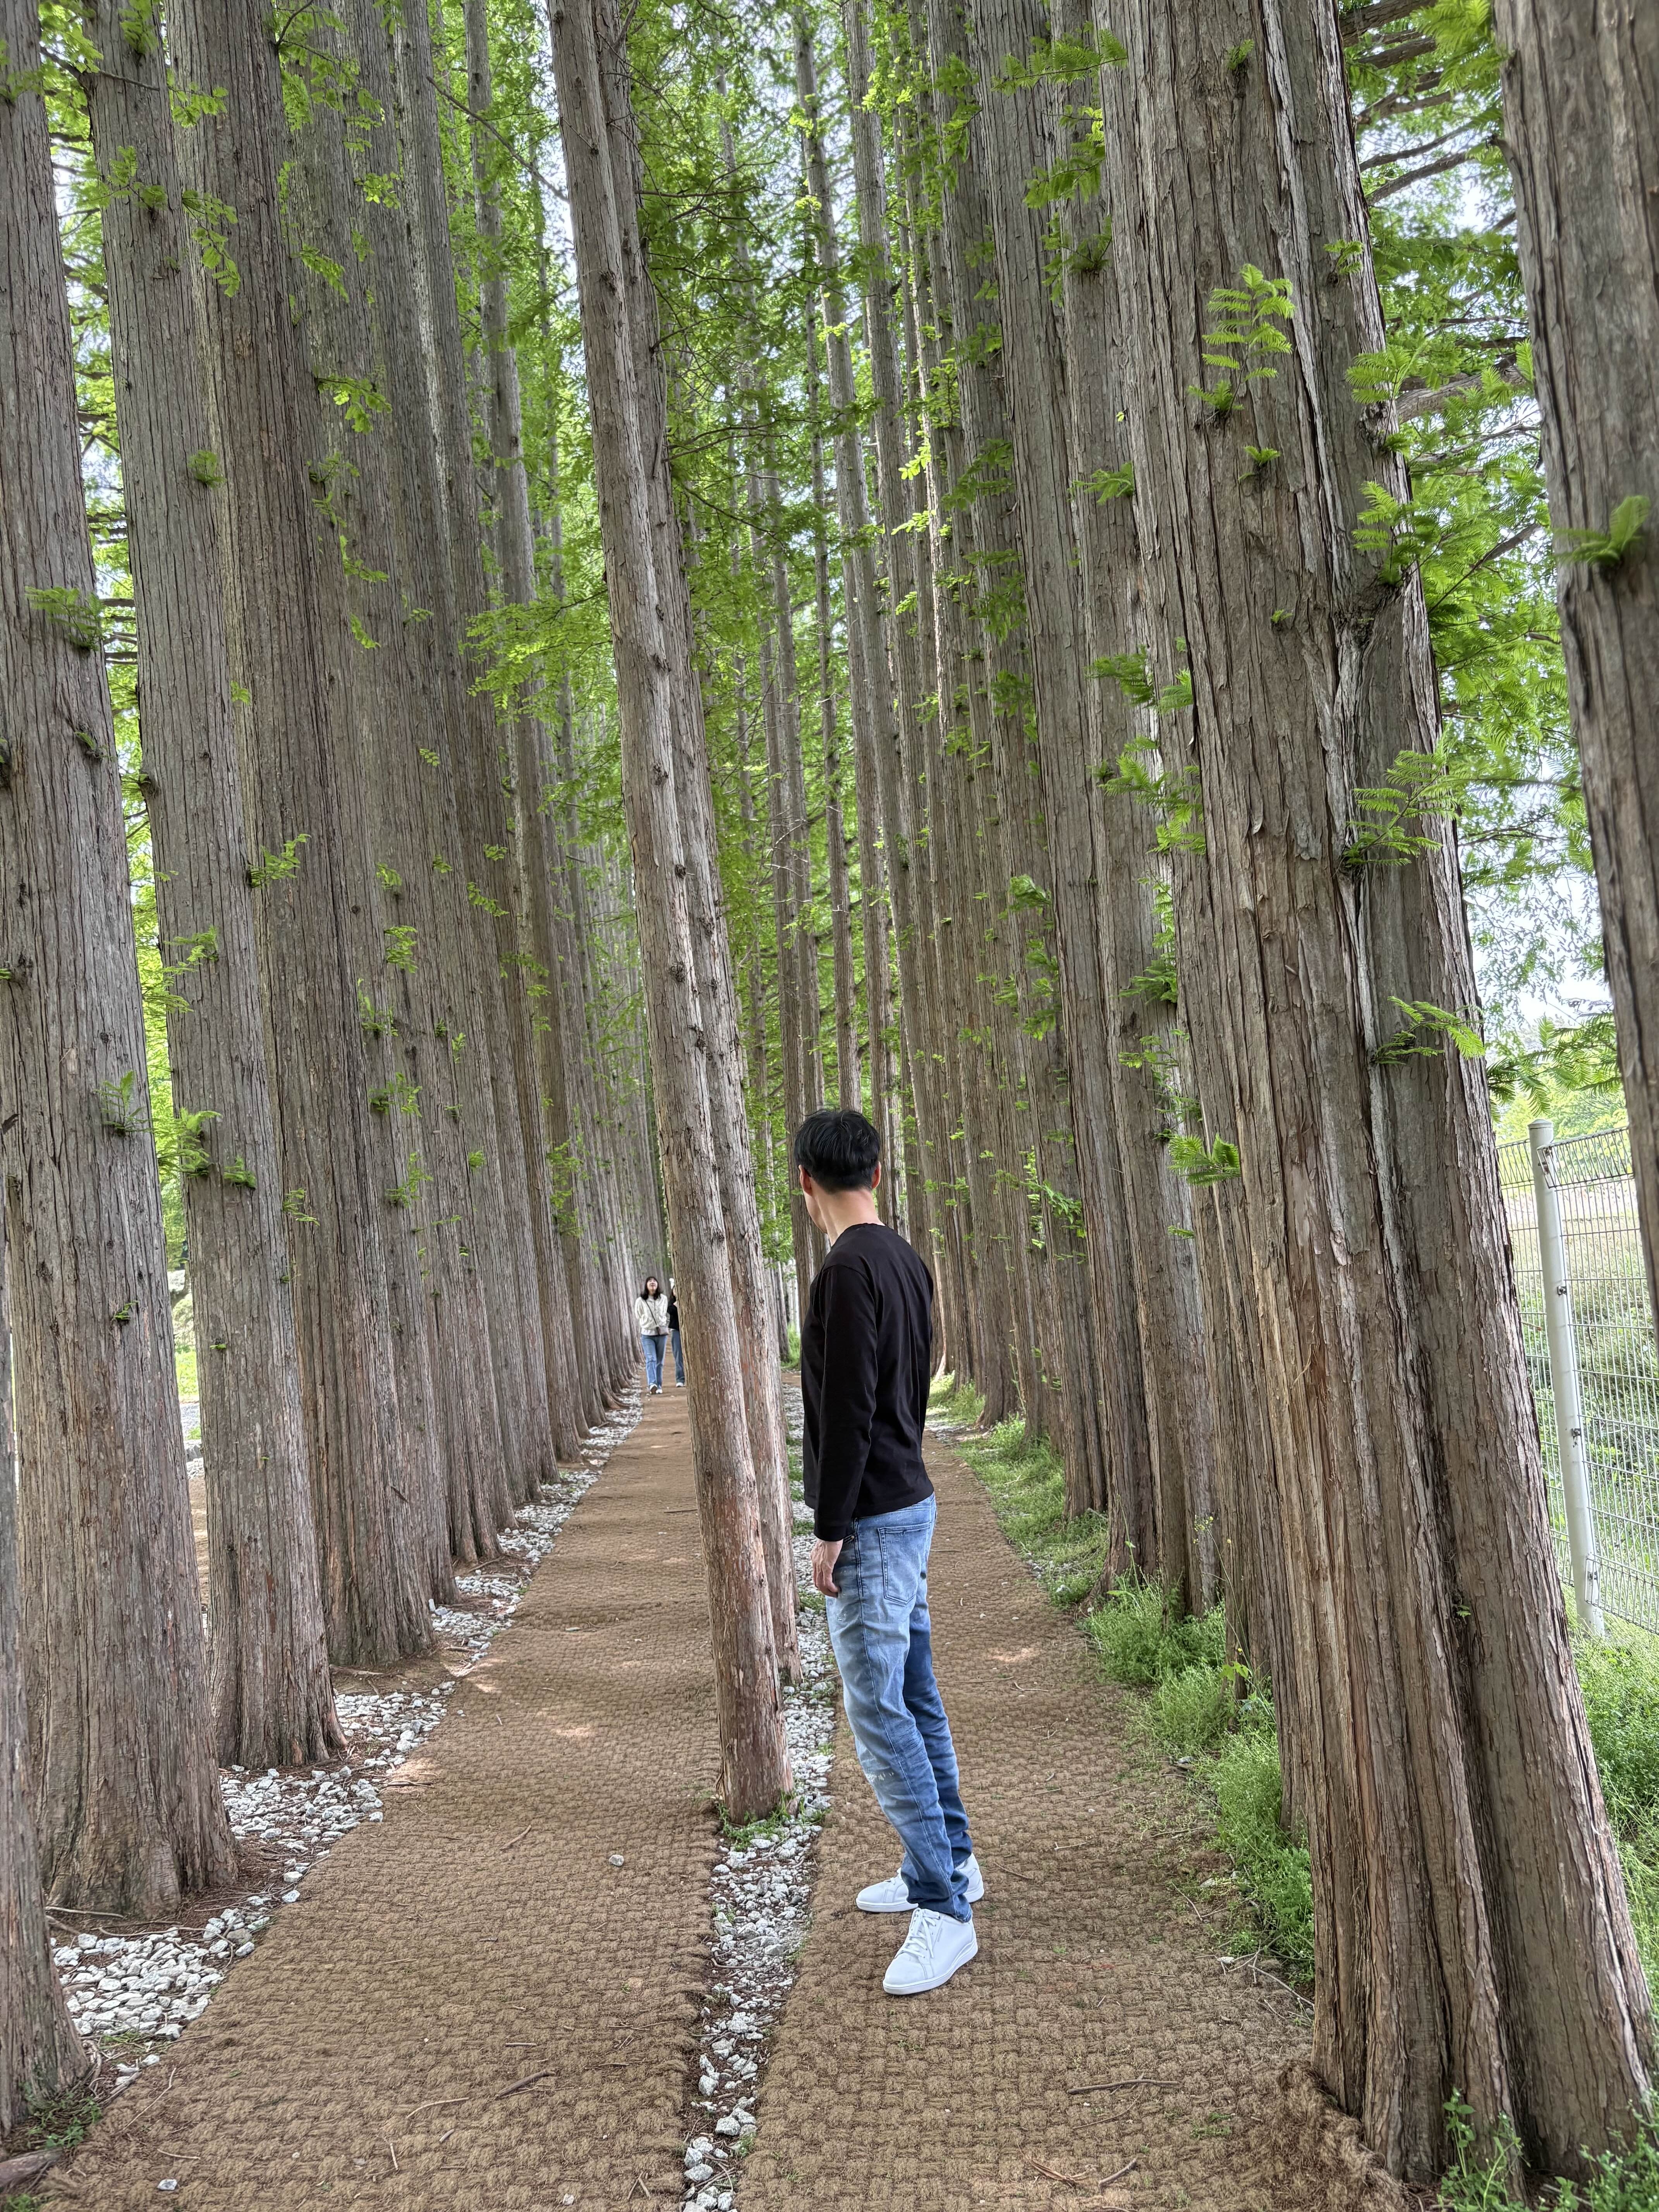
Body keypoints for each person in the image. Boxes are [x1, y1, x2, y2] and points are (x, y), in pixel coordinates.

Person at [795, 1106, 981, 1997]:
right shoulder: (905, 1259)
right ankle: (948, 1864)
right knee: (913, 1692)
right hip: (911, 1502)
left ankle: (945, 1909)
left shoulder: (845, 1271)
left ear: (806, 1183)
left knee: (878, 1709)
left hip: (872, 1518)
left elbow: (850, 1412)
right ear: (877, 1172)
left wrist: (829, 1528)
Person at [634, 1276, 670, 1395]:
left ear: (658, 1285)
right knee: (651, 1359)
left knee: (660, 1361)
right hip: (647, 1335)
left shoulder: (663, 1299)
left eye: (654, 1281)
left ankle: (659, 1385)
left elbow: (665, 1313)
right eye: (650, 1281)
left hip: (661, 1334)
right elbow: (638, 1315)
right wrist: (646, 1322)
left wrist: (663, 1323)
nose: (652, 1282)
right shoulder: (641, 1301)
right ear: (646, 1285)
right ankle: (652, 1384)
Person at [666, 1278, 684, 1387]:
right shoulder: (671, 1304)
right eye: (675, 1289)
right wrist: (677, 1304)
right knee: (678, 1356)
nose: (677, 1291)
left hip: (686, 1331)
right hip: (676, 1331)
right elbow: (671, 1311)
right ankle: (680, 1379)